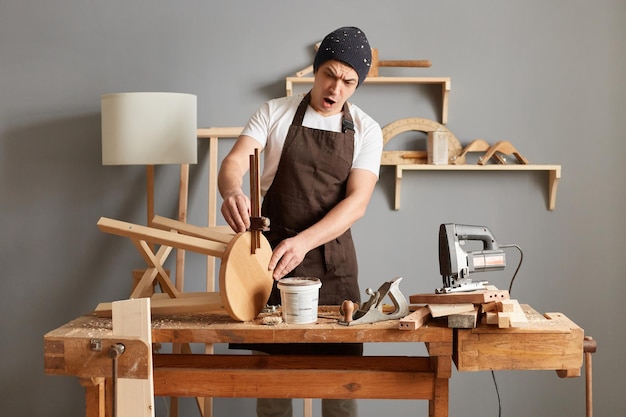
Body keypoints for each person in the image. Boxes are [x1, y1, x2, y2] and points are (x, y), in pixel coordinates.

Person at [218, 26, 383, 417]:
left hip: (333, 268)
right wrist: (231, 191)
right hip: (270, 263)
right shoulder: (274, 113)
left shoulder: (365, 130)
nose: (336, 89)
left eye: (349, 82)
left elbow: (357, 203)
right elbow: (234, 162)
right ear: (315, 69)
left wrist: (305, 242)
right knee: (273, 388)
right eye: (329, 74)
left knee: (340, 390)